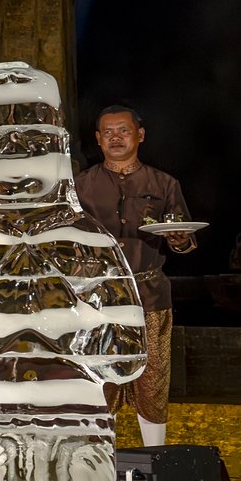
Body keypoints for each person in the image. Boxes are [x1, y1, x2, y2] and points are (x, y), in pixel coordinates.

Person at [77, 105, 198, 446]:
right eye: (109, 133)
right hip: (96, 301)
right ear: (99, 140)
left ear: (139, 135)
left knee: (152, 378)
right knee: (99, 378)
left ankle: (155, 457)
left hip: (151, 295)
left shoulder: (163, 183)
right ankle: (98, 460)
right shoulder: (79, 187)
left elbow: (183, 236)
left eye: (124, 131)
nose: (116, 138)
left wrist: (179, 238)